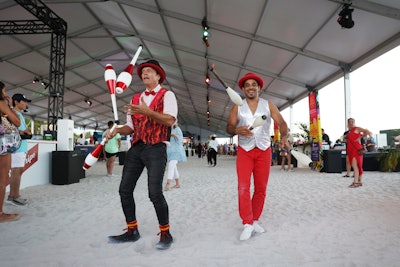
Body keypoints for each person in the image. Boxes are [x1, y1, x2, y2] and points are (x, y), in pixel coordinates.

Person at [106, 59, 177, 250]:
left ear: (158, 76)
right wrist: (116, 130)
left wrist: (148, 111)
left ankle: (165, 232)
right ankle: (132, 230)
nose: (144, 73)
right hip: (137, 147)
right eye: (143, 71)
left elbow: (169, 120)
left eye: (149, 71)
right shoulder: (135, 98)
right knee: (124, 190)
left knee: (154, 193)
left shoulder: (167, 95)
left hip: (156, 147)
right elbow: (130, 127)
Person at [226, 72, 289, 241]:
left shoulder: (268, 105)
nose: (251, 87)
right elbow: (229, 127)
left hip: (263, 150)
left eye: (254, 84)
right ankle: (247, 222)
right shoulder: (237, 107)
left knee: (261, 189)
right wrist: (236, 130)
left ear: (259, 88)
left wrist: (284, 137)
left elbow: (282, 123)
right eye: (247, 85)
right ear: (243, 89)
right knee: (243, 187)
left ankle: (254, 220)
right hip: (245, 151)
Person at [0, 81, 21, 222]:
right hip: (2, 146)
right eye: (4, 91)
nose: (6, 93)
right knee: (2, 180)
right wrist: (9, 106)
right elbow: (17, 122)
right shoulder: (1, 104)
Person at [7, 93, 32, 206]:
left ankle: (14, 195)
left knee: (18, 172)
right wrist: (25, 132)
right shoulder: (12, 113)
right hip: (17, 147)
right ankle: (14, 196)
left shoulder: (19, 115)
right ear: (16, 102)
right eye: (24, 101)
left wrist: (27, 132)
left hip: (21, 146)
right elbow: (13, 130)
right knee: (16, 172)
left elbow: (25, 129)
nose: (26, 103)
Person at [346, 123, 371, 188]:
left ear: (354, 123)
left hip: (356, 149)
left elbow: (368, 132)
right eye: (349, 122)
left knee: (356, 166)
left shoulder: (357, 128)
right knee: (357, 165)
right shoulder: (349, 131)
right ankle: (359, 181)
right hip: (352, 150)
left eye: (352, 122)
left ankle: (356, 182)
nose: (350, 124)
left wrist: (360, 137)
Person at [164, 124, 186, 191]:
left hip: (176, 150)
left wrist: (173, 135)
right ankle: (177, 183)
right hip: (170, 151)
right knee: (174, 167)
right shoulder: (166, 128)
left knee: (171, 165)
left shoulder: (177, 129)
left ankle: (168, 183)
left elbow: (180, 140)